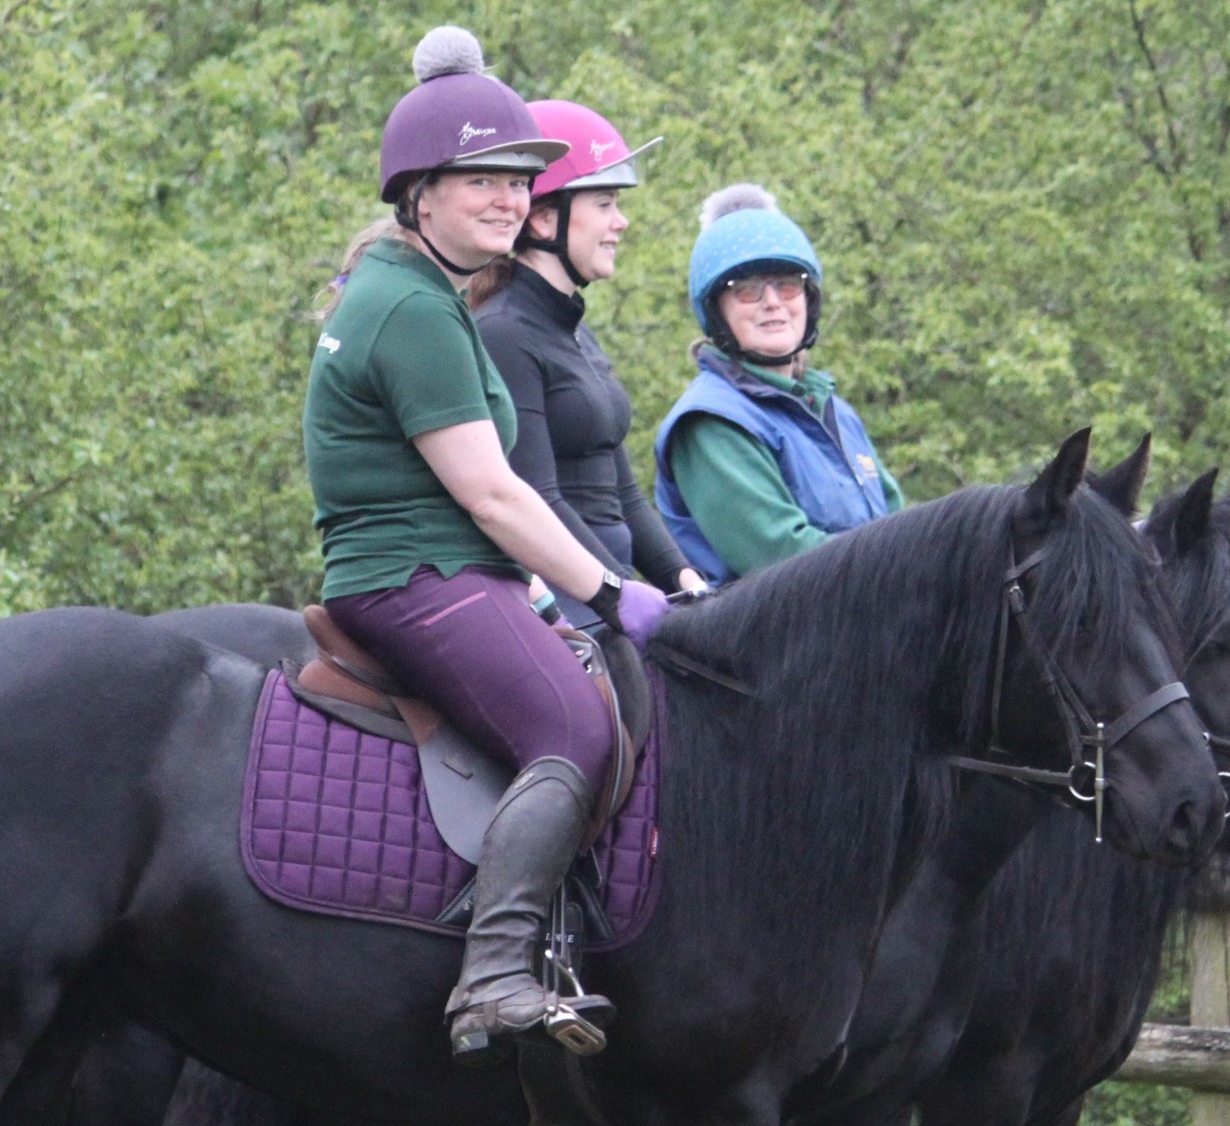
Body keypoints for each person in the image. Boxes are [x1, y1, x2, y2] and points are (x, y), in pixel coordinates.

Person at [304, 27, 669, 1064]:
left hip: (440, 570)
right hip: (417, 578)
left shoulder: (421, 294)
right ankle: (493, 967)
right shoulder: (412, 313)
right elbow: (493, 493)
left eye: (518, 180)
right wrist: (608, 590)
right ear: (419, 192)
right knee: (573, 727)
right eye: (483, 183)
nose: (509, 199)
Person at [468, 101, 705, 626]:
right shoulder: (503, 333)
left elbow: (623, 492)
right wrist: (618, 593)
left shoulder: (574, 330)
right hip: (568, 602)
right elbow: (539, 499)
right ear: (546, 218)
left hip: (613, 590)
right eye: (605, 203)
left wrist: (687, 583)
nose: (621, 222)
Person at [653, 184, 904, 585]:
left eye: (787, 284)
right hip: (769, 641)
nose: (772, 301)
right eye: (748, 290)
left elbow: (900, 524)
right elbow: (781, 556)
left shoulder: (834, 411)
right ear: (718, 312)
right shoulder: (710, 422)